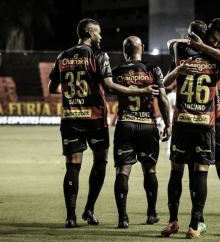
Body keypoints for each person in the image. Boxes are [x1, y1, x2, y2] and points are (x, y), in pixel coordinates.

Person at [48, 18, 159, 228]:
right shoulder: (98, 55)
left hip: (71, 118)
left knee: (72, 165)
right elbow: (109, 86)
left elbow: (53, 88)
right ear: (89, 33)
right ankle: (89, 209)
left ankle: (70, 218)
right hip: (95, 118)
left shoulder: (62, 56)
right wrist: (142, 91)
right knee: (100, 162)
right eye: (98, 33)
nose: (101, 37)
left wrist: (74, 94)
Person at [160, 20, 220, 239]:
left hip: (183, 122)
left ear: (191, 35)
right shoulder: (217, 56)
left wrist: (182, 64)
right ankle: (194, 226)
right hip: (204, 123)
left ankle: (173, 221)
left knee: (176, 172)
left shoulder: (180, 50)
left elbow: (171, 44)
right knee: (200, 173)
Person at [111, 36, 171, 228]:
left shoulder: (116, 71)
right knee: (150, 170)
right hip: (147, 125)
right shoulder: (153, 69)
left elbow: (104, 89)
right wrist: (168, 124)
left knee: (122, 170)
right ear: (142, 48)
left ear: (124, 51)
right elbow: (163, 98)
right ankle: (152, 214)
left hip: (125, 124)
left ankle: (123, 218)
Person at [166, 84, 177, 155]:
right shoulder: (174, 96)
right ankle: (169, 150)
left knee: (165, 133)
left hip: (166, 116)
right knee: (171, 133)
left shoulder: (168, 95)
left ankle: (167, 149)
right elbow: (174, 105)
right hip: (172, 116)